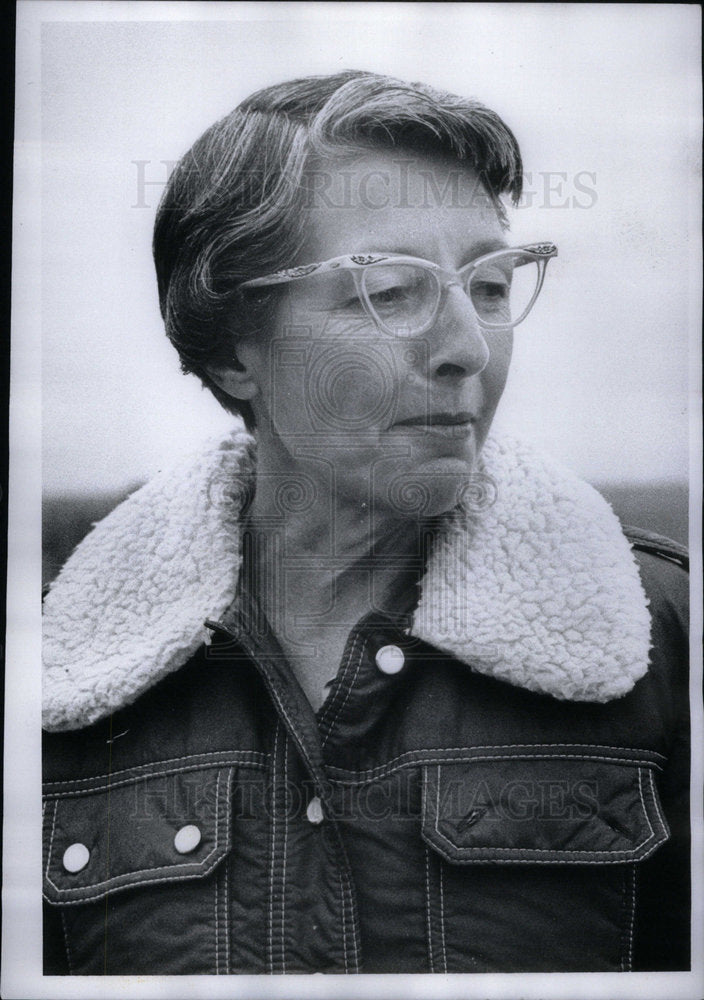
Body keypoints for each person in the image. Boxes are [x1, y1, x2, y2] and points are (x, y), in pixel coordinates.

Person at [41, 71, 689, 975]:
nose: (468, 347)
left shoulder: (665, 642)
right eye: (393, 290)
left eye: (492, 286)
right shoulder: (56, 683)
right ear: (235, 346)